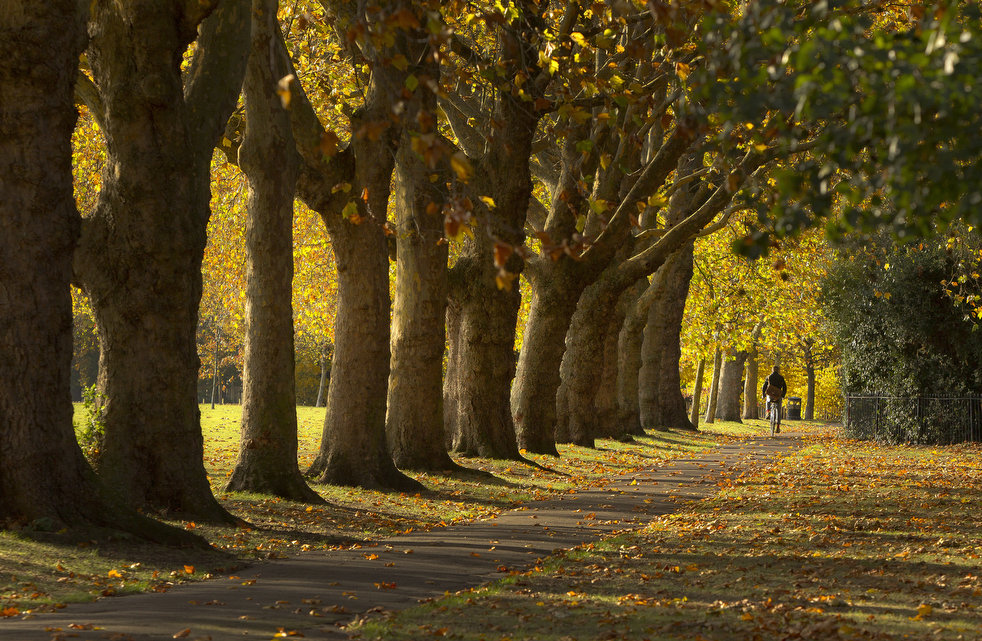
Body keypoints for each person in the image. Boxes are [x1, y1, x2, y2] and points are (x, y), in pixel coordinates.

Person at [761, 365, 788, 433]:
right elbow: (785, 387)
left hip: (771, 394)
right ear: (778, 370)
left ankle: (768, 412)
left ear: (772, 370)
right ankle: (778, 427)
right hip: (778, 395)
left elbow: (764, 386)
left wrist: (763, 394)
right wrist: (783, 395)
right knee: (778, 410)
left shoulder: (769, 377)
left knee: (768, 400)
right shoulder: (781, 378)